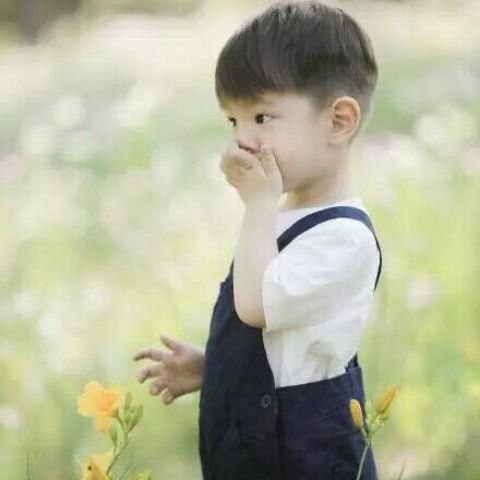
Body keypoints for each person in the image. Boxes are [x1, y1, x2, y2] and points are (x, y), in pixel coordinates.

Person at [133, 1, 383, 479]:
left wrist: (259, 204)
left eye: (262, 117)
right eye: (233, 121)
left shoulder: (345, 238)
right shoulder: (282, 214)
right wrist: (215, 368)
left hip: (306, 458)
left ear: (338, 121)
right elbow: (286, 348)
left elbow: (257, 306)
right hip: (261, 444)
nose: (242, 140)